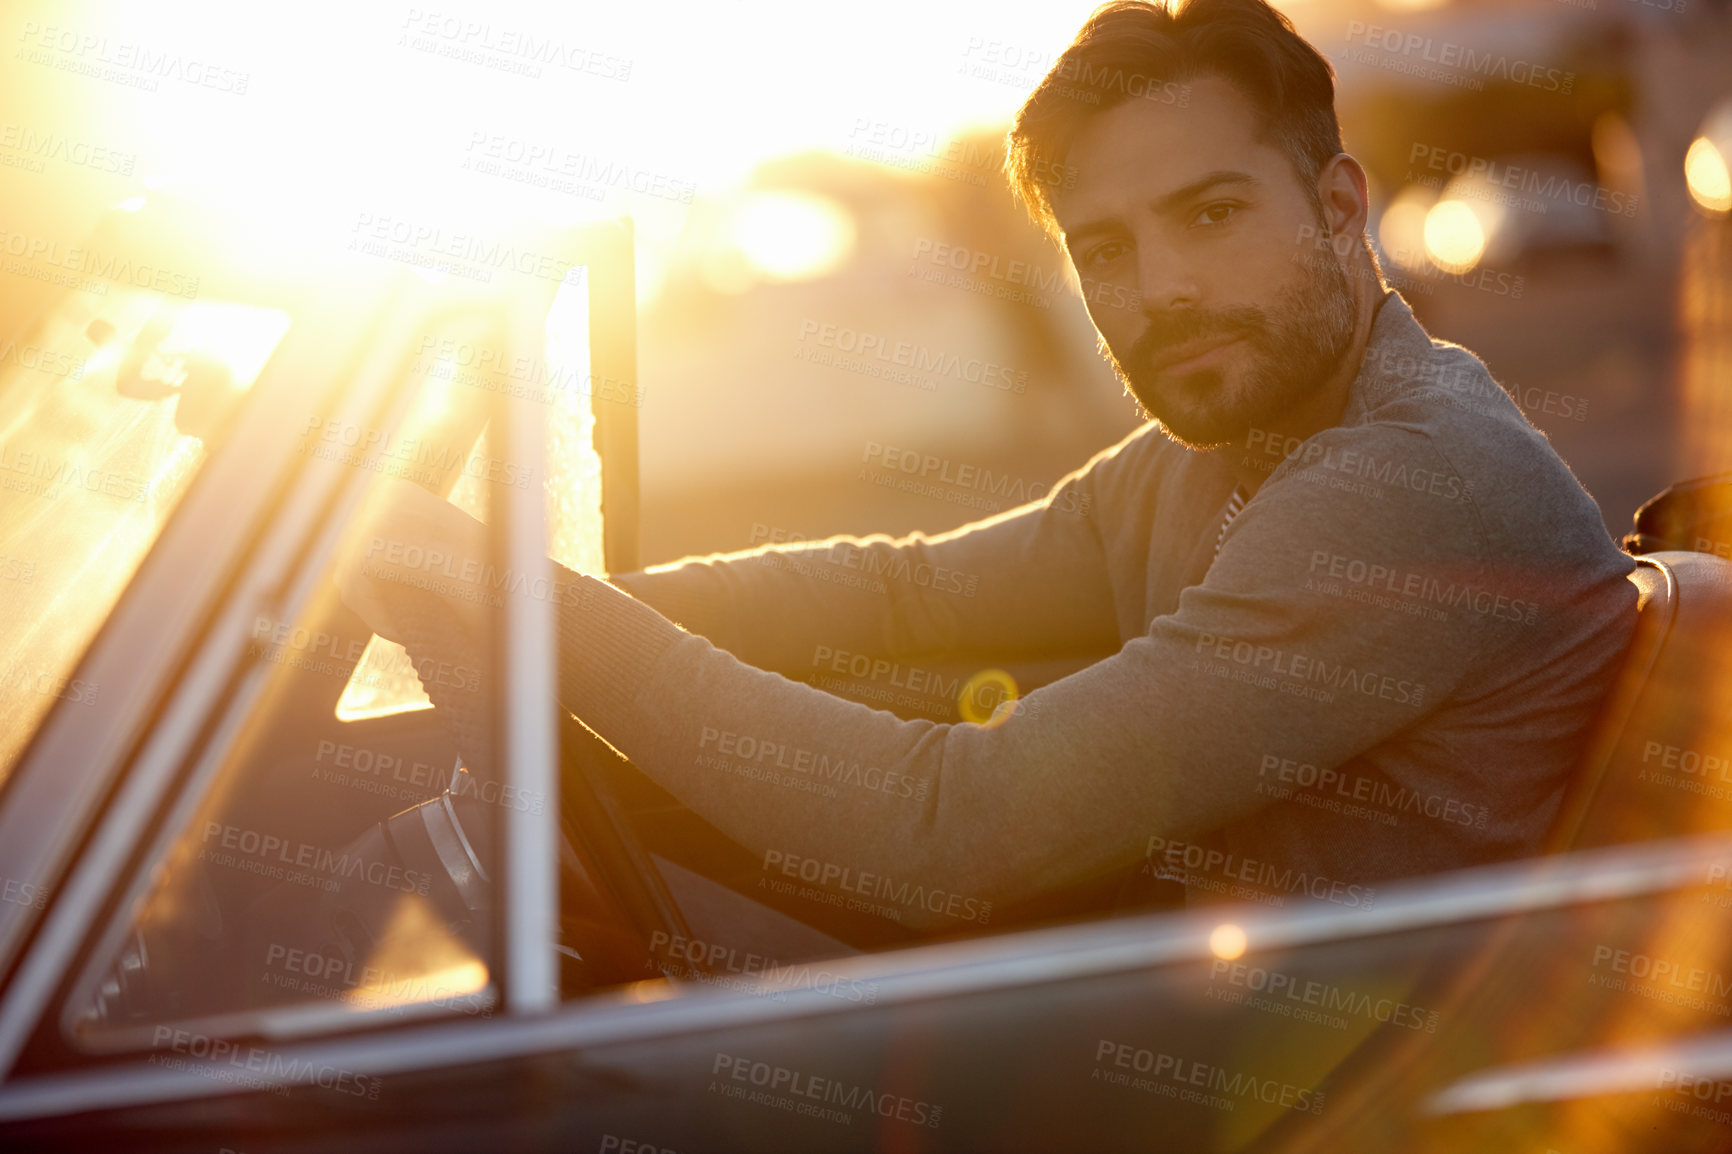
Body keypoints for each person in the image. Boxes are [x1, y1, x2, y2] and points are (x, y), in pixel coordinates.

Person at [337, 0, 1637, 927]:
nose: (1163, 289)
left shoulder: (1412, 480)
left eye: (1212, 213)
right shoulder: (1228, 444)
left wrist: (521, 602)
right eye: (1107, 248)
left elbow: (961, 829)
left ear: (1341, 208)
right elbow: (901, 590)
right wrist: (510, 595)